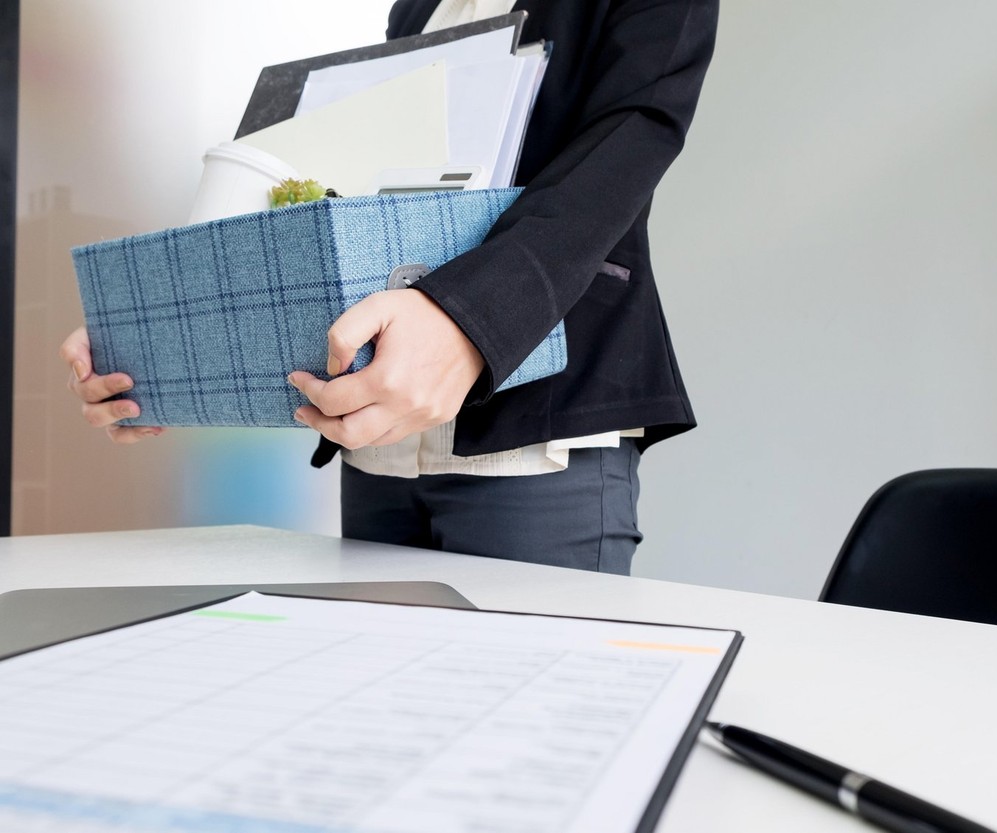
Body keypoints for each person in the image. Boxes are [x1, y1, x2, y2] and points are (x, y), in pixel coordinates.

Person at [60, 0, 718, 574]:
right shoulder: (414, 8)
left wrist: (469, 321)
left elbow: (621, 153)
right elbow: (358, 205)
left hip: (534, 445)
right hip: (380, 455)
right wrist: (166, 340)